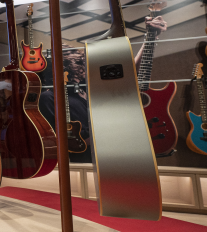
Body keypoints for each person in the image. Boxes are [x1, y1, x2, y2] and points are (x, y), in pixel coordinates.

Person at [39, 16, 167, 162]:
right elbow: (72, 142)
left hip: (115, 157)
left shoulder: (85, 87)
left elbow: (130, 73)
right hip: (86, 165)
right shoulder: (49, 99)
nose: (85, 69)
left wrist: (150, 38)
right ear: (68, 69)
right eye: (80, 66)